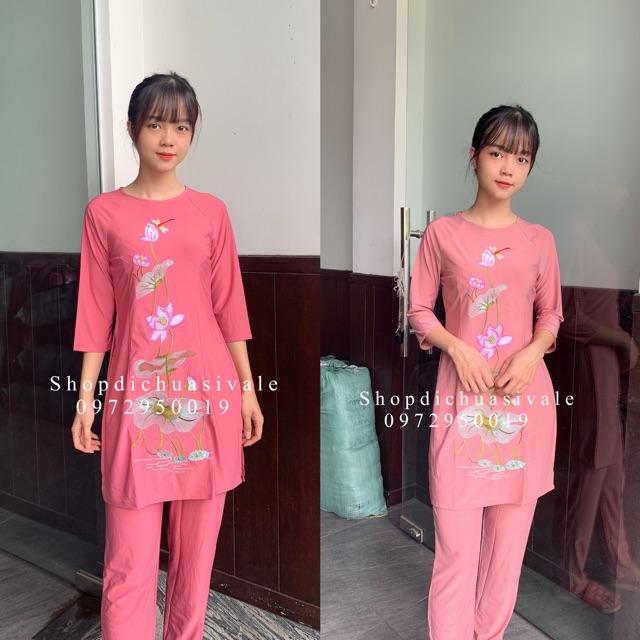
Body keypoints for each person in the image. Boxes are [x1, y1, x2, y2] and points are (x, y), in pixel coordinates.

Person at [70, 71, 264, 639]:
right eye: (156, 123)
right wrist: (85, 401)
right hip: (134, 399)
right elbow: (94, 315)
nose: (168, 138)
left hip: (208, 394)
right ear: (132, 127)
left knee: (195, 559)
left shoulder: (211, 212)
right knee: (127, 562)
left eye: (181, 126)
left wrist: (247, 390)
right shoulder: (103, 214)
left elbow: (229, 306)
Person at [407, 104, 564, 639]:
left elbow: (551, 314)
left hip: (525, 404)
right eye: (498, 153)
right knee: (456, 550)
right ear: (474, 156)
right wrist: (456, 347)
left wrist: (532, 352)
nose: (508, 168)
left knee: (505, 555)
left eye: (521, 158)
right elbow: (419, 310)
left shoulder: (540, 240)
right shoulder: (441, 234)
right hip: (461, 401)